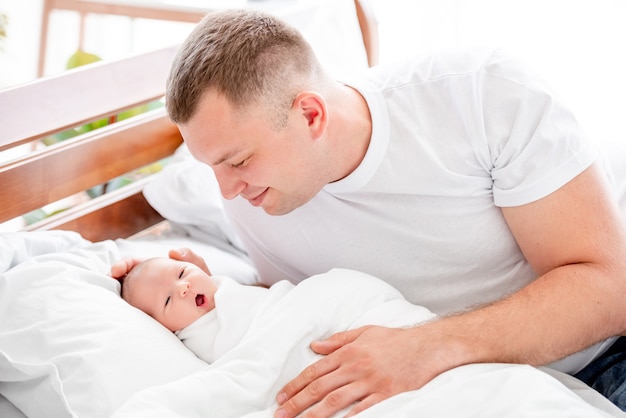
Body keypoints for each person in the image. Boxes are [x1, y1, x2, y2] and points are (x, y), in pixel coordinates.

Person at [113, 8, 626, 417]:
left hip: (601, 356)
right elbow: (298, 312)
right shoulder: (255, 201)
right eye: (211, 169)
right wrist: (184, 288)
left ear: (310, 115)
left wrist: (425, 347)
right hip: (459, 391)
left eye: (238, 160)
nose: (226, 190)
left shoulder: (481, 93)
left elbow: (609, 288)